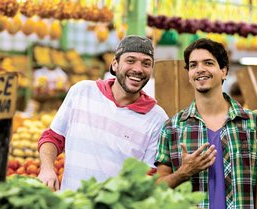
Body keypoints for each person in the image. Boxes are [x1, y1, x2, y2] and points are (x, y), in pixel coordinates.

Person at [37, 35, 168, 191]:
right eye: (130, 61)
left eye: (146, 64)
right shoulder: (82, 92)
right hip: (71, 206)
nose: (138, 69)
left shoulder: (158, 119)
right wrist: (46, 169)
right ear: (114, 64)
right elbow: (53, 137)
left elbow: (148, 175)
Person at [155, 38, 257, 209]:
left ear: (224, 71)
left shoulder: (252, 124)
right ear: (189, 74)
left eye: (208, 63)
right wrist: (182, 173)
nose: (200, 69)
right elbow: (156, 188)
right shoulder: (172, 128)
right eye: (193, 65)